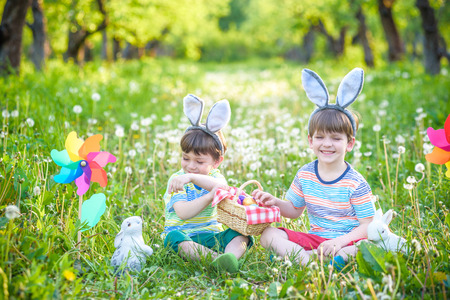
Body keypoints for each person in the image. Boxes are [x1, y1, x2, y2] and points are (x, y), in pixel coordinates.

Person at [252, 68, 375, 269]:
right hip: (316, 239)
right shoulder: (305, 175)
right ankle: (307, 259)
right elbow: (293, 211)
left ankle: (326, 258)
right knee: (268, 235)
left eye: (336, 138)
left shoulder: (355, 183)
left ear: (350, 143)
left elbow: (367, 225)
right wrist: (274, 202)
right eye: (320, 137)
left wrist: (339, 242)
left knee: (366, 246)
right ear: (310, 141)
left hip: (347, 241)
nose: (327, 144)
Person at [162, 94, 252, 273]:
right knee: (172, 238)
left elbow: (222, 187)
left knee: (242, 235)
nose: (190, 166)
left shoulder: (215, 178)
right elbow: (183, 212)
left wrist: (194, 178)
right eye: (185, 158)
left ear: (217, 162)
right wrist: (209, 196)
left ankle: (230, 257)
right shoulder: (178, 180)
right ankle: (216, 260)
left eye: (199, 162)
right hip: (185, 237)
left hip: (212, 237)